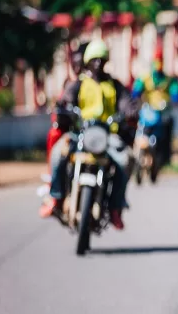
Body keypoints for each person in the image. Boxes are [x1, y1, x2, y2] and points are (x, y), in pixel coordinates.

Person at [41, 40, 132, 229]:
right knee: (58, 153)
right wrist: (64, 109)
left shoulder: (114, 85)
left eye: (102, 60)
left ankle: (116, 207)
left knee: (126, 160)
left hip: (107, 137)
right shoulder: (77, 85)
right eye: (94, 60)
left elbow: (127, 104)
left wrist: (128, 112)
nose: (98, 63)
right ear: (87, 61)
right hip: (80, 134)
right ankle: (56, 197)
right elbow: (65, 102)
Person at [132, 49, 178, 165]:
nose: (158, 64)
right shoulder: (145, 78)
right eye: (156, 61)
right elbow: (136, 91)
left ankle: (165, 156)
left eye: (160, 61)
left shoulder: (168, 80)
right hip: (148, 112)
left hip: (163, 113)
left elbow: (175, 92)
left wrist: (176, 97)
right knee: (140, 130)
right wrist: (136, 94)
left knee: (167, 130)